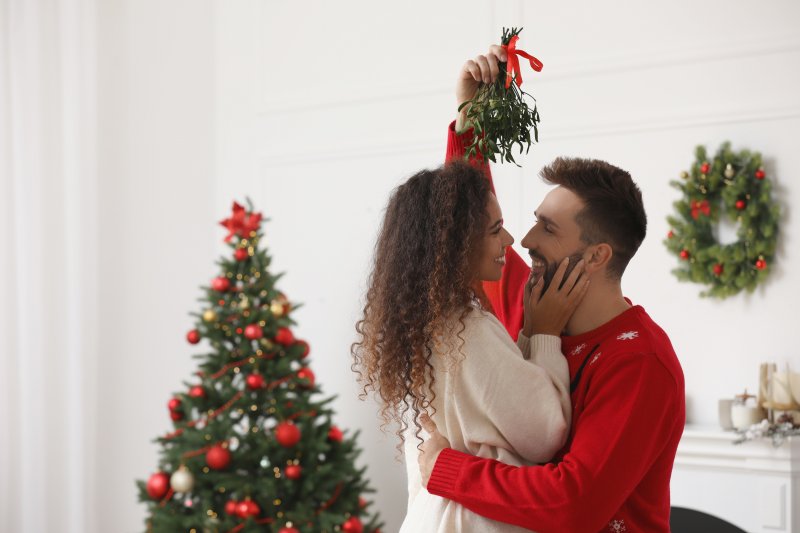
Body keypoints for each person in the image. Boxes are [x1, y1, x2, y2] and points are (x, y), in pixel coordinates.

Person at [416, 45, 686, 533]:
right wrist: (470, 116)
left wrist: (444, 469)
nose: (523, 240)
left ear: (597, 255)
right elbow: (469, 237)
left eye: (547, 229)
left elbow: (572, 505)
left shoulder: (640, 362)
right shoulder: (535, 306)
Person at [351, 161, 589, 532]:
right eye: (495, 230)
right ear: (457, 244)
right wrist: (544, 333)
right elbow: (545, 433)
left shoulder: (417, 327)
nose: (510, 241)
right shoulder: (466, 329)